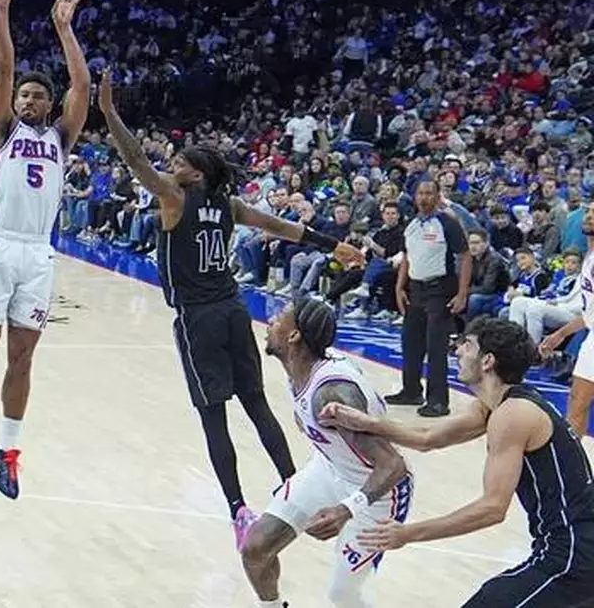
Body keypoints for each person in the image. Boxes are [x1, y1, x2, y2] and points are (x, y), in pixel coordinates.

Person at [95, 67, 366, 550]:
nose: (170, 164)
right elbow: (283, 227)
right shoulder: (230, 205)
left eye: (177, 160)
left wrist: (110, 112)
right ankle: (292, 485)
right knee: (257, 404)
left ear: (193, 173)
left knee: (213, 417)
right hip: (234, 310)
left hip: (198, 318)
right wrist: (334, 245)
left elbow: (135, 157)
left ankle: (239, 509)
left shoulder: (175, 197)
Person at [323, 318, 594, 607]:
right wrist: (365, 422)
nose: (458, 351)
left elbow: (492, 509)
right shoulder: (496, 406)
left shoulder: (514, 414)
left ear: (488, 361)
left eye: (467, 345)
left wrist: (407, 533)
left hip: (574, 553)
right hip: (572, 547)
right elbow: (427, 437)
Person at [0, 0, 90, 500]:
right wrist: (2, 10)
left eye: (38, 96)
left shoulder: (60, 136)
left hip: (38, 252)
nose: (29, 100)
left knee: (23, 357)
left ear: (48, 105)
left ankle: (8, 452)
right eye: (24, 95)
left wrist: (64, 28)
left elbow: (80, 88)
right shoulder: (3, 131)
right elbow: (3, 68)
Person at [242, 298, 412, 608]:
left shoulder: (331, 393)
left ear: (294, 337)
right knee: (256, 547)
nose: (271, 322)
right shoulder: (303, 362)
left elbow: (392, 464)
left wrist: (346, 509)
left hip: (378, 490)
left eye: (280, 318)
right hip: (331, 469)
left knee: (342, 595)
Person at [386, 180, 472, 418]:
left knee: (435, 346)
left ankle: (438, 401)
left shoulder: (447, 223)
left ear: (437, 196)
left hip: (440, 289)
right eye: (420, 193)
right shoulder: (411, 225)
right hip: (415, 289)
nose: (424, 197)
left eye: (429, 193)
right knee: (410, 343)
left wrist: (462, 293)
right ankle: (411, 390)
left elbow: (465, 257)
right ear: (414, 197)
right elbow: (407, 257)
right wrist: (399, 286)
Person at [541, 203, 594, 439]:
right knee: (577, 400)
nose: (590, 216)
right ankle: (574, 468)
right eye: (589, 211)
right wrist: (560, 334)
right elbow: (590, 312)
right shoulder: (590, 256)